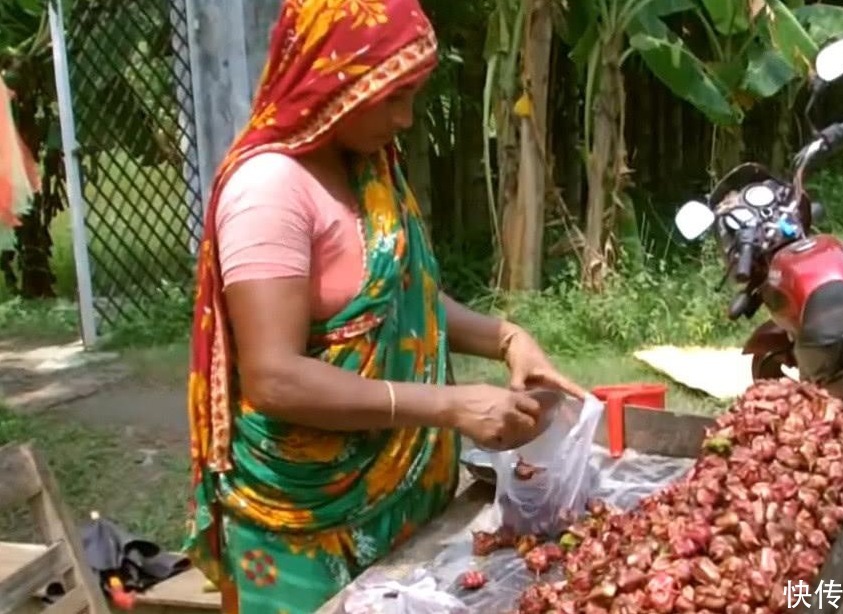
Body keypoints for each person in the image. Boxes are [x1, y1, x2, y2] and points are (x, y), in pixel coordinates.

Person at [183, 1, 585, 612]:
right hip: (305, 522)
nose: (405, 118)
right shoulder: (269, 191)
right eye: (391, 97)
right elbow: (274, 378)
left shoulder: (367, 168)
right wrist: (448, 405)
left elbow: (403, 300)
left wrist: (507, 337)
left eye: (412, 95)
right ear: (332, 83)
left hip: (398, 498)